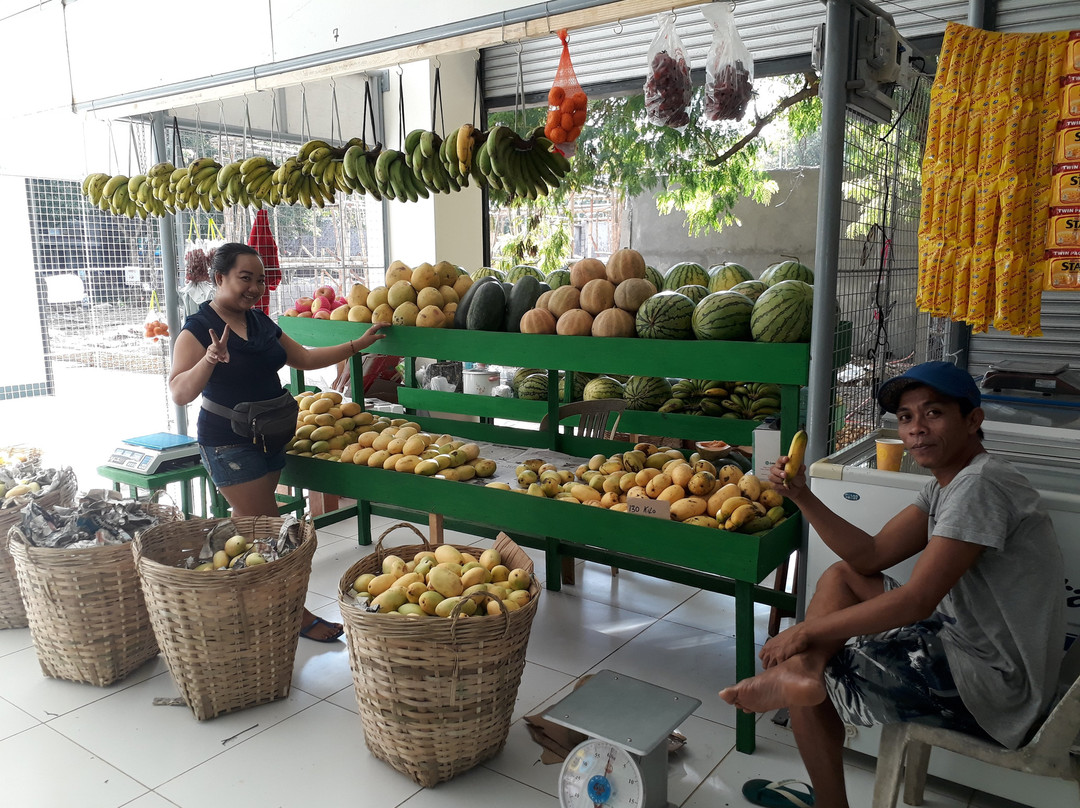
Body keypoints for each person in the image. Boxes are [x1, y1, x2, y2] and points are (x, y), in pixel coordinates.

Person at [720, 361, 1065, 808]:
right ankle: (801, 671)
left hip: (995, 683)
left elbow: (917, 600)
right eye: (906, 417)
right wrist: (802, 495)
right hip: (961, 636)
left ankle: (828, 790)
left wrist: (804, 631)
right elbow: (870, 556)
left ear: (973, 420)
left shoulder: (980, 486)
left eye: (933, 413)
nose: (917, 428)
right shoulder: (948, 484)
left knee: (814, 673)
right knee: (843, 577)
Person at [169, 242, 387, 642]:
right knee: (272, 534)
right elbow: (180, 392)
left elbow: (303, 358)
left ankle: (231, 600)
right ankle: (297, 616)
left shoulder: (261, 323)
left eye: (260, 280)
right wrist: (210, 359)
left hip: (270, 437)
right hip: (229, 443)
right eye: (244, 278)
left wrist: (358, 344)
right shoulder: (198, 329)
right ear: (219, 278)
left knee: (250, 529)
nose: (253, 288)